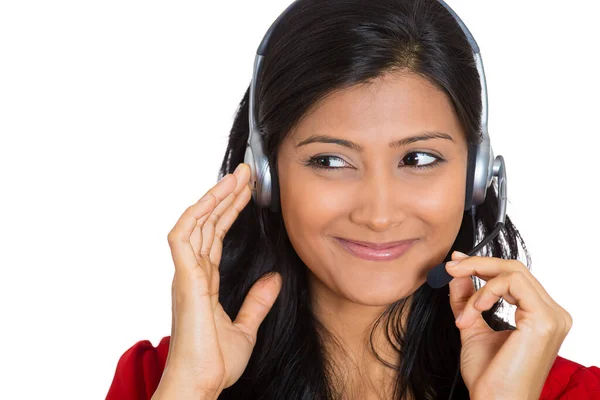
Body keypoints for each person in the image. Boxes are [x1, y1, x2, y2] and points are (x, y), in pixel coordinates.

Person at [106, 0, 600, 398]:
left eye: (419, 159)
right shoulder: (162, 381)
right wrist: (194, 387)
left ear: (476, 175)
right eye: (330, 161)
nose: (379, 215)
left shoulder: (566, 392)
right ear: (264, 175)